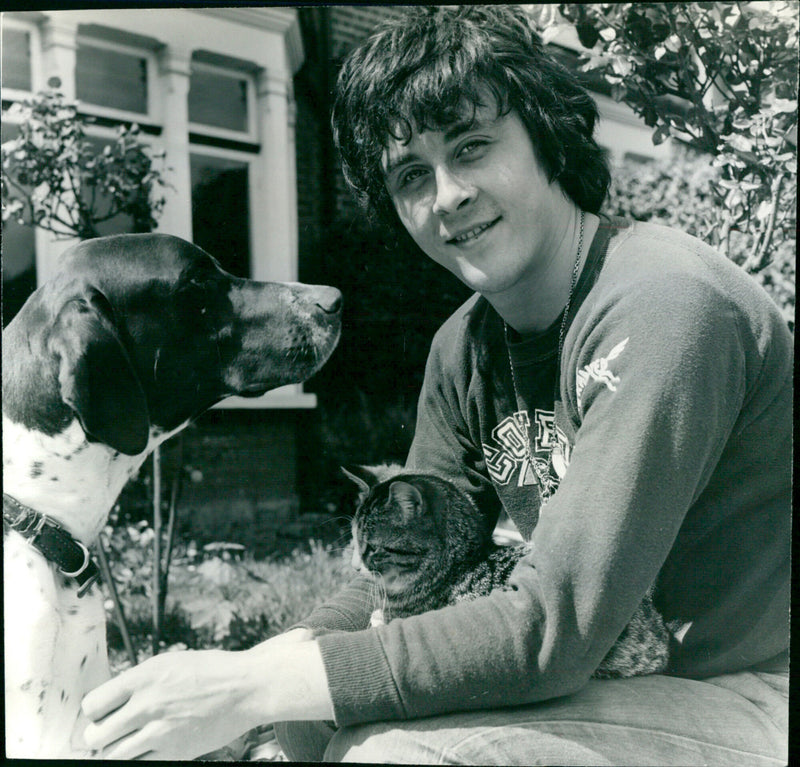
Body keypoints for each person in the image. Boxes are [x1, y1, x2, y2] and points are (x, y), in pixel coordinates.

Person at [81, 6, 791, 764]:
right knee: (298, 725)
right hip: (611, 679)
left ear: (547, 137)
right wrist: (258, 666)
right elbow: (410, 570)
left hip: (747, 687)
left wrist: (255, 684)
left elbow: (553, 624)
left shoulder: (664, 303)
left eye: (473, 146)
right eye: (412, 175)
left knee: (387, 752)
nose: (447, 194)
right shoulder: (464, 346)